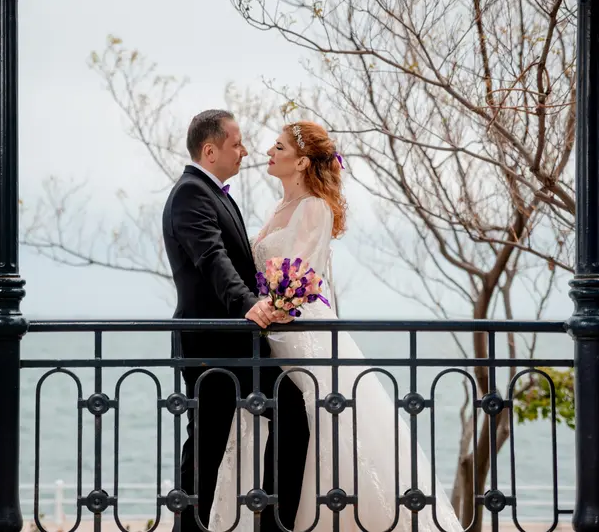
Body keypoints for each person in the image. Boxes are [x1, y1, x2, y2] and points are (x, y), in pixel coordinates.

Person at [208, 121, 463, 532]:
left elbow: (302, 274)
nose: (267, 152)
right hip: (271, 331)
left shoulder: (314, 206)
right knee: (277, 418)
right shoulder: (277, 207)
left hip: (300, 329)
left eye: (279, 147)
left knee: (326, 417)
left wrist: (272, 308)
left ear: (302, 161)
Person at [162, 110, 310, 532]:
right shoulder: (191, 194)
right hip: (211, 346)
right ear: (210, 151)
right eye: (236, 144)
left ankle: (270, 523)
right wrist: (249, 303)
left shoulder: (215, 193)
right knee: (207, 449)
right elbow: (212, 259)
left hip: (235, 344)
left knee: (286, 416)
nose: (245, 151)